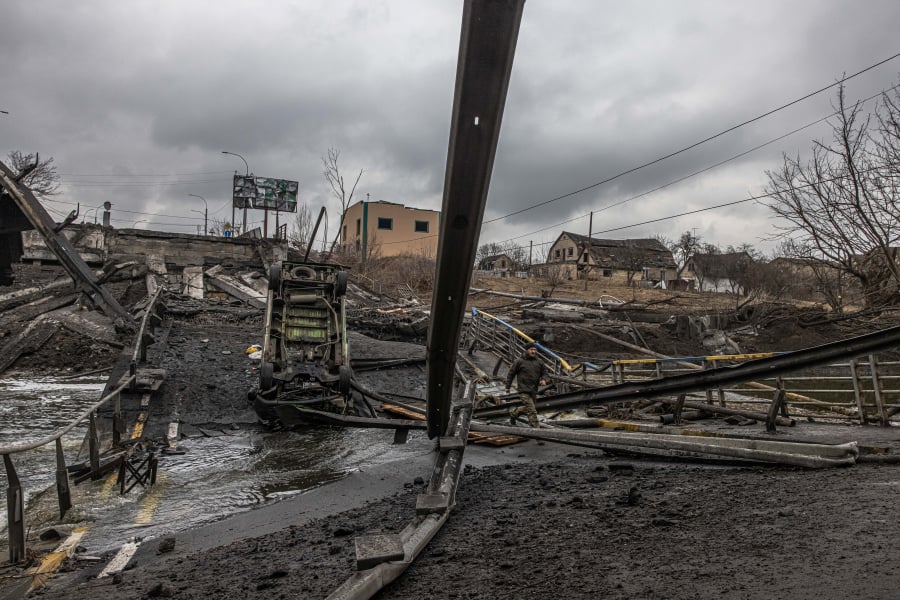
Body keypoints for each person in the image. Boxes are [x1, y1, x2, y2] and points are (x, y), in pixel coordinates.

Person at [505, 343, 547, 428]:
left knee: (529, 408)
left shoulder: (539, 362)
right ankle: (536, 432)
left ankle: (514, 413)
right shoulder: (519, 361)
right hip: (523, 389)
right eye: (531, 349)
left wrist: (543, 379)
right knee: (532, 411)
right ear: (527, 350)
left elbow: (545, 373)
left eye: (535, 350)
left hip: (534, 390)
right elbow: (511, 374)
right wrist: (507, 387)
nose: (533, 351)